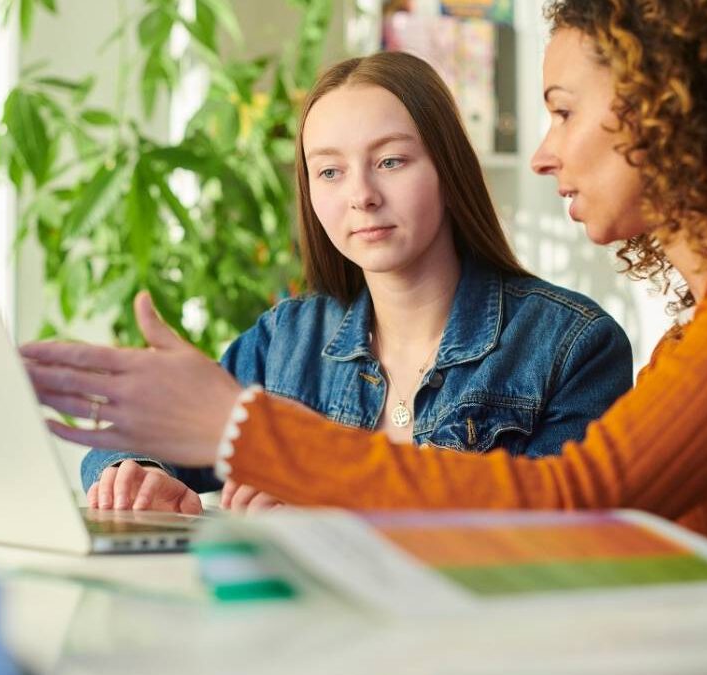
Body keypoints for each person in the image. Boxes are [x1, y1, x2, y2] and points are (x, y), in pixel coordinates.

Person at [22, 0, 707, 608]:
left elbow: (576, 505)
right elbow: (626, 549)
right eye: (328, 172)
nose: (543, 154)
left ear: (672, 104)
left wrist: (243, 430)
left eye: (564, 110)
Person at [75, 50, 633, 515]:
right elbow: (137, 437)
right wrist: (138, 472)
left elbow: (560, 538)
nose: (360, 195)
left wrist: (335, 513)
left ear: (448, 168)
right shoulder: (285, 342)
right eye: (330, 171)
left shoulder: (571, 345)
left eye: (390, 161)